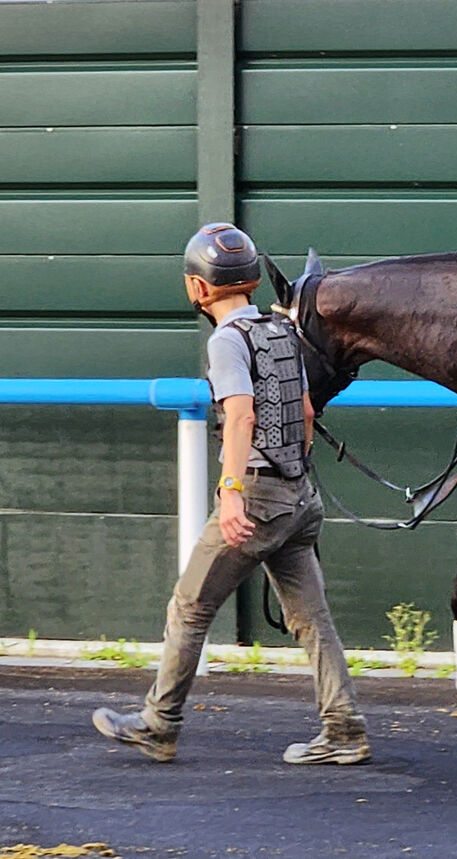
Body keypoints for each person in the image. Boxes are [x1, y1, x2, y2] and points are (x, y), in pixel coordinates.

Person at [92, 223, 370, 765]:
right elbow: (307, 412)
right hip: (299, 496)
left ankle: (158, 723)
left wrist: (233, 492)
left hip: (259, 498)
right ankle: (344, 730)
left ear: (199, 289)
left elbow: (240, 415)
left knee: (190, 607)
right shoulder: (283, 330)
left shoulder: (227, 341)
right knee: (313, 620)